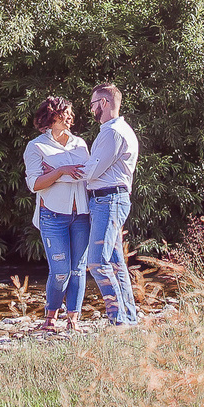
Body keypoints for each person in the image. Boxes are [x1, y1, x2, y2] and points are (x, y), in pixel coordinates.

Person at [23, 96, 90, 331]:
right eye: (65, 113)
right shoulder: (36, 147)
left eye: (71, 113)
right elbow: (35, 184)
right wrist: (62, 170)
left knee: (77, 269)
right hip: (52, 215)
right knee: (60, 271)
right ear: (51, 117)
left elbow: (87, 174)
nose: (70, 117)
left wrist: (56, 174)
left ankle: (73, 320)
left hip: (81, 214)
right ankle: (50, 318)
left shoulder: (80, 144)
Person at [80, 82, 140, 326]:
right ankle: (128, 318)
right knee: (115, 264)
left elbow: (93, 171)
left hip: (108, 200)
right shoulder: (116, 130)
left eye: (93, 104)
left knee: (98, 262)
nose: (91, 109)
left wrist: (62, 172)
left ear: (103, 103)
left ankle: (118, 321)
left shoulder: (112, 133)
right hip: (109, 199)